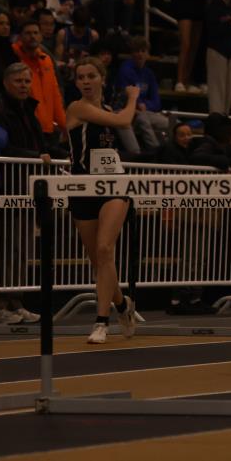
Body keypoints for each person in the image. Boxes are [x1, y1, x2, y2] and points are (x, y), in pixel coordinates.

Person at [66, 57, 141, 344]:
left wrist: (128, 103)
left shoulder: (107, 111)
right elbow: (124, 120)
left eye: (91, 76)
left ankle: (101, 322)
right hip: (82, 188)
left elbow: (122, 127)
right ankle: (122, 304)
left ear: (102, 79)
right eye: (81, 77)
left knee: (105, 247)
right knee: (99, 261)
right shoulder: (77, 108)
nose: (86, 81)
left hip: (113, 187)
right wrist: (133, 99)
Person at [0, 63, 62, 161]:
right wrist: (36, 156)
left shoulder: (29, 110)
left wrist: (65, 155)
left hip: (31, 167)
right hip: (10, 169)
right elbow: (2, 149)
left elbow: (42, 146)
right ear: (5, 83)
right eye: (18, 81)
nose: (23, 85)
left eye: (27, 81)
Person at [12, 20, 67, 139]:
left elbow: (55, 94)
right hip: (26, 128)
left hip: (47, 128)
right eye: (28, 33)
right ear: (20, 37)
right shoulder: (13, 58)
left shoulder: (46, 59)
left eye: (35, 33)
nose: (32, 36)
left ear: (41, 36)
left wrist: (64, 126)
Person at [117, 37, 169, 153]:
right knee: (143, 119)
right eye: (137, 51)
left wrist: (144, 105)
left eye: (143, 51)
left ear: (147, 53)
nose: (140, 54)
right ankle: (155, 153)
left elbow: (156, 102)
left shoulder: (149, 73)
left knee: (170, 123)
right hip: (127, 111)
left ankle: (170, 153)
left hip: (146, 111)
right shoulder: (125, 69)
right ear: (132, 53)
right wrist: (139, 104)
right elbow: (127, 95)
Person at [171, 0, 209, 93]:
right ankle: (179, 80)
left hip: (198, 9)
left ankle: (187, 80)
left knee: (195, 46)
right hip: (185, 8)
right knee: (185, 44)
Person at [205, 0, 231, 113]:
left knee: (228, 89)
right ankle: (216, 116)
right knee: (217, 87)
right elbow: (213, 29)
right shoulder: (214, 7)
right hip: (217, 50)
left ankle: (224, 115)